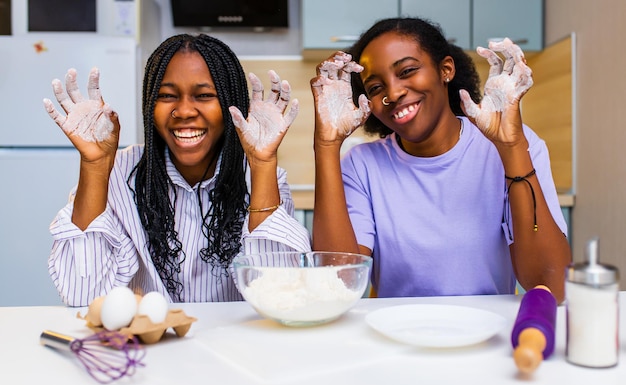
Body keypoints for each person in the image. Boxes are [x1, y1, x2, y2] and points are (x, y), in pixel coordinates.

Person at [310, 17, 571, 303]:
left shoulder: (514, 145)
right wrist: (326, 145)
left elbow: (551, 284)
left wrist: (511, 147)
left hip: (487, 334)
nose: (393, 93)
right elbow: (337, 286)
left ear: (445, 70)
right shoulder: (361, 166)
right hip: (396, 334)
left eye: (407, 71)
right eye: (375, 88)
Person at [44, 33, 311, 307]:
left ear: (231, 104)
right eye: (167, 96)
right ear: (149, 105)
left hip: (234, 346)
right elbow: (83, 295)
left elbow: (279, 296)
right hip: (151, 347)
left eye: (204, 95)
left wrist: (264, 164)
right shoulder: (118, 177)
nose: (183, 111)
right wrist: (95, 165)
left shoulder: (261, 178)